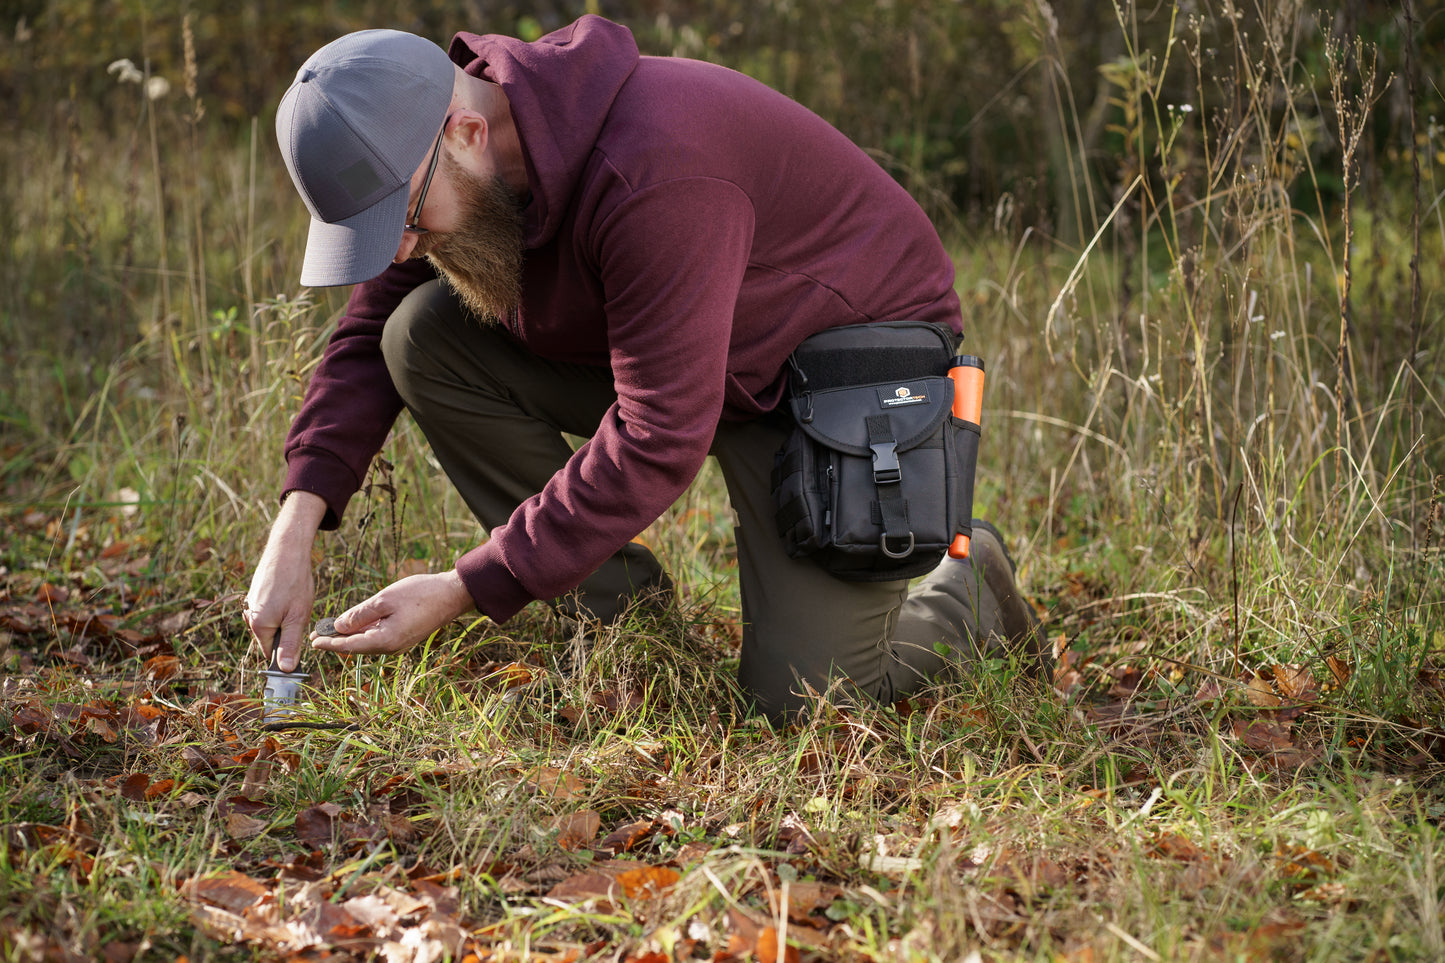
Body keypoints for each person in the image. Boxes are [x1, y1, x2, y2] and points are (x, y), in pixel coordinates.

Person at [244, 15, 1046, 719]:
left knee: (810, 702)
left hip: (833, 377)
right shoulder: (451, 166)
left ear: (465, 132)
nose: (402, 248)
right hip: (691, 351)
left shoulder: (657, 167)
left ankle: (969, 591)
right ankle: (626, 620)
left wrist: (468, 586)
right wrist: (296, 523)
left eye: (406, 219)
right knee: (418, 332)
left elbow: (660, 433)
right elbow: (367, 331)